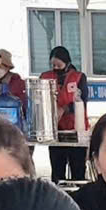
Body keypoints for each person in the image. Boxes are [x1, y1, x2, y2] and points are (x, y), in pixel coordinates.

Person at [41, 46, 90, 184]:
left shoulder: (79, 77)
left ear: (67, 63)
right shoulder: (45, 77)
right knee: (57, 171)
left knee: (78, 170)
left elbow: (83, 102)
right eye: (53, 65)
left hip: (76, 129)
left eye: (59, 65)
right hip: (56, 130)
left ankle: (79, 196)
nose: (56, 68)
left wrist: (64, 109)